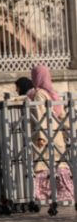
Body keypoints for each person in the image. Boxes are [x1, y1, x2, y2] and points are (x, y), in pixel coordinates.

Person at [27, 65, 75, 203]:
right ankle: (66, 194)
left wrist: (41, 136)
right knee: (60, 165)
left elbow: (40, 114)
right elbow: (61, 115)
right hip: (56, 135)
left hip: (45, 137)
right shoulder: (52, 92)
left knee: (43, 166)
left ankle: (44, 196)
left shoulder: (39, 94)